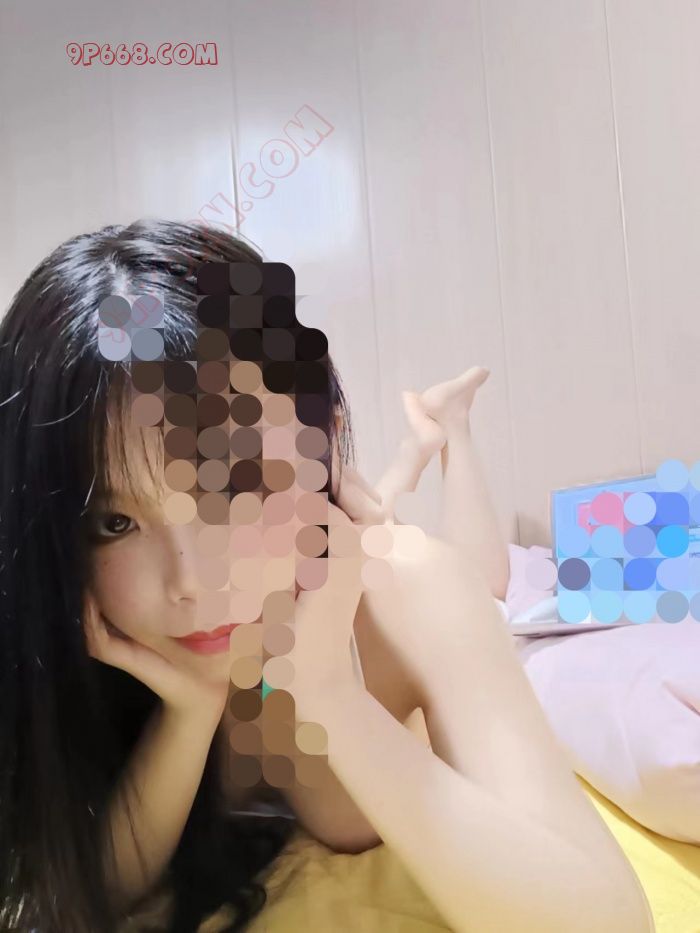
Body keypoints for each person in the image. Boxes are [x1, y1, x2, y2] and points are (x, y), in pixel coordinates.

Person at [0, 219, 653, 933]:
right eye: (114, 522)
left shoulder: (408, 593)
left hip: (392, 582)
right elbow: (87, 893)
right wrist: (189, 714)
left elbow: (607, 923)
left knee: (479, 579)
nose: (193, 581)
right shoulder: (93, 632)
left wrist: (328, 693)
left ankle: (451, 433)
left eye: (231, 486)